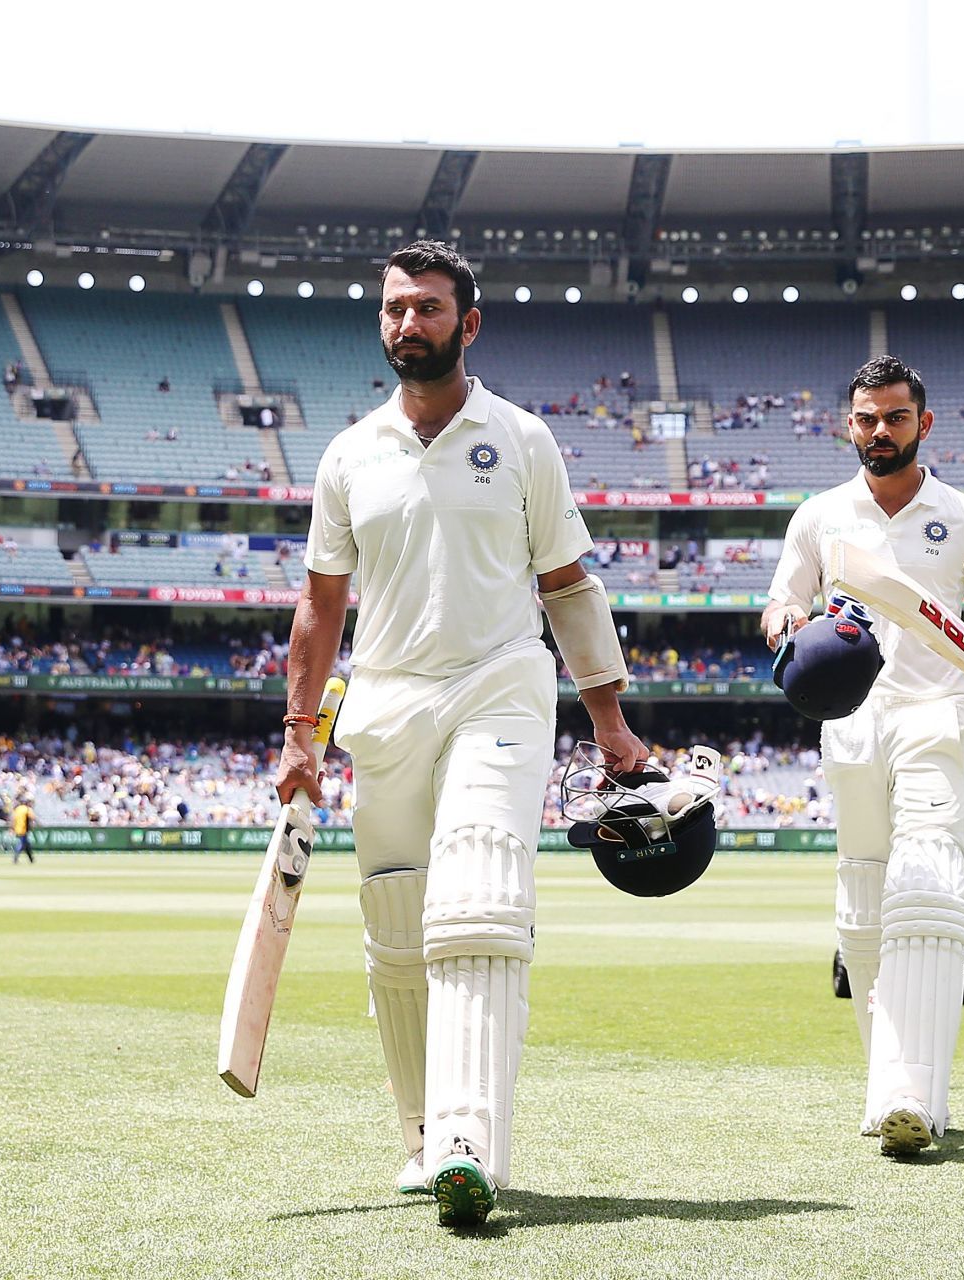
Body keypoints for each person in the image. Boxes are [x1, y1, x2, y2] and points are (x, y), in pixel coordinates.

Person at [273, 241, 646, 1229]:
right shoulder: (349, 453)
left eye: (428, 308)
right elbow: (319, 611)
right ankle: (420, 1140)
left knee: (478, 900)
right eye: (396, 308)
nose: (409, 323)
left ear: (467, 324)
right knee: (397, 934)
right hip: (385, 707)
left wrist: (607, 717)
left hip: (500, 686)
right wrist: (299, 734)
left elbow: (568, 583)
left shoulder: (521, 438)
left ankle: (469, 1142)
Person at [762, 355, 964, 1158]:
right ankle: (889, 1083)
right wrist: (786, 626)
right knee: (862, 897)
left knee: (927, 885)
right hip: (850, 718)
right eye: (866, 418)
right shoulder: (819, 516)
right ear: (848, 425)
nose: (880, 431)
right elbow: (785, 599)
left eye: (895, 417)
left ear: (924, 423)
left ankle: (911, 1094)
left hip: (937, 710)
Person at [9, 796, 35, 864]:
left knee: (27, 844)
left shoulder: (17, 809)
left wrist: (12, 828)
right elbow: (32, 818)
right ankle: (15, 857)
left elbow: (12, 819)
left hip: (17, 829)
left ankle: (31, 859)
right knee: (22, 844)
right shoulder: (27, 809)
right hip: (24, 829)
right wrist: (34, 826)